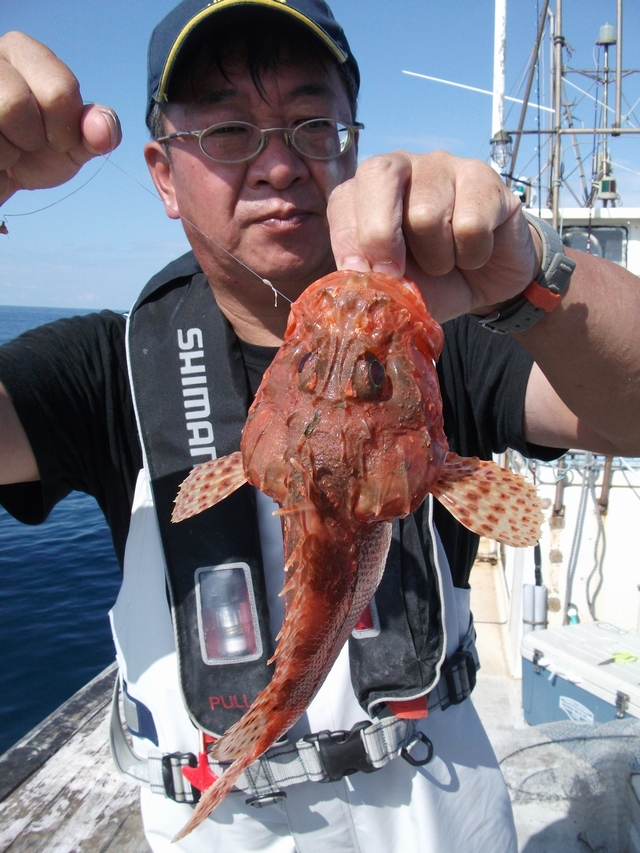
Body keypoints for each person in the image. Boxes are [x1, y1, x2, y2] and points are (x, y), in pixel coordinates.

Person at [0, 2, 639, 851]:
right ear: (161, 173)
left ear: (351, 147)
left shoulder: (451, 344)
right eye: (228, 130)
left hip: (437, 811)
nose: (276, 164)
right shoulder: (104, 369)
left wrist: (534, 277)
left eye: (312, 125)